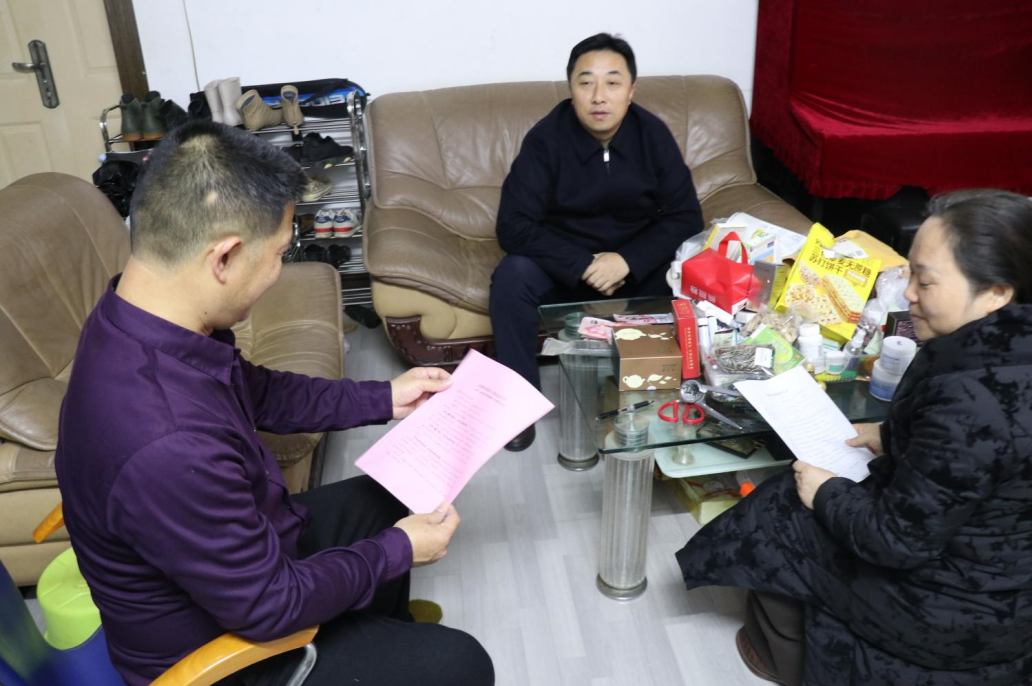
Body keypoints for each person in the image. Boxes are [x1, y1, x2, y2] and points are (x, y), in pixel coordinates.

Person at [54, 121, 494, 686]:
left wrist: (385, 396)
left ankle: (380, 637)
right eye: (281, 252)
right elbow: (270, 607)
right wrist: (398, 551)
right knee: (462, 664)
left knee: (394, 494)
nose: (279, 272)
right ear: (224, 258)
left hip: (247, 557)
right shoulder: (166, 442)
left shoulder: (137, 317)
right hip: (219, 654)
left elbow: (258, 391)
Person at [676, 189, 1032, 685]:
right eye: (909, 274)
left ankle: (783, 654)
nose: (908, 294)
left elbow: (896, 541)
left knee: (782, 506)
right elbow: (998, 458)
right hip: (1009, 580)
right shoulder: (999, 359)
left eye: (925, 281)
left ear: (996, 292)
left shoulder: (971, 399)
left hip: (954, 611)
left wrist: (825, 492)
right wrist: (897, 437)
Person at [490, 32, 704, 451]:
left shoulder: (652, 134)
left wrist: (627, 260)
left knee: (696, 265)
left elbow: (686, 216)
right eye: (586, 83)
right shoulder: (546, 139)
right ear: (571, 89)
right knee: (512, 275)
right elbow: (512, 224)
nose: (599, 96)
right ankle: (518, 407)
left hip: (637, 272)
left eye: (612, 82)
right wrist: (584, 264)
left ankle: (690, 394)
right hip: (567, 271)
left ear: (631, 90)